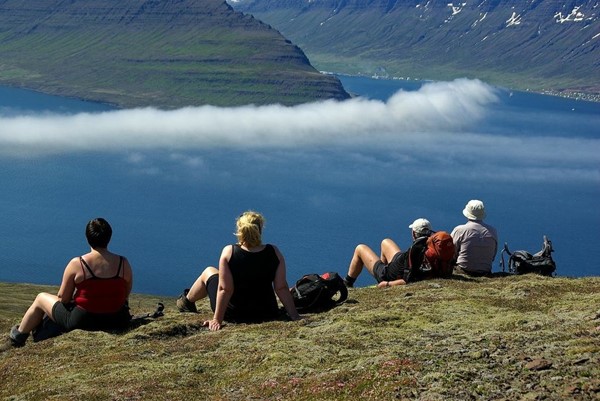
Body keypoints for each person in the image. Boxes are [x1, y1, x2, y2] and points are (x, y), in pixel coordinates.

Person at [8, 218, 133, 347]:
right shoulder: (123, 263)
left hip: (83, 321)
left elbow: (63, 298)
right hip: (117, 319)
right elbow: (125, 294)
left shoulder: (78, 264)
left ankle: (18, 338)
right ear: (109, 237)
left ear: (87, 238)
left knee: (40, 298)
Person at [176, 211, 301, 330]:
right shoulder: (274, 251)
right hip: (267, 312)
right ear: (260, 230)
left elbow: (225, 289)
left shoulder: (229, 252)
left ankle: (186, 302)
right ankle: (186, 301)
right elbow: (281, 287)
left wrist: (217, 320)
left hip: (234, 314)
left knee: (209, 271)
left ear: (240, 231)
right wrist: (295, 316)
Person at [343, 218, 434, 288]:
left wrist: (387, 284)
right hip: (400, 262)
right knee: (385, 242)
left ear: (414, 234)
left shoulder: (415, 251)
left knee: (360, 248)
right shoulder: (432, 247)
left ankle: (347, 283)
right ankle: (381, 272)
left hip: (391, 275)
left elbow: (408, 280)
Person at [451, 200, 498, 276]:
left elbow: (451, 252)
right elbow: (493, 255)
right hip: (486, 272)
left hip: (463, 270)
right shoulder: (493, 231)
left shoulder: (460, 230)